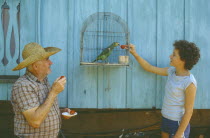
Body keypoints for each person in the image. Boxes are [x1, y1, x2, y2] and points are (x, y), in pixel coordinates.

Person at [126, 40, 200, 138]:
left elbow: (188, 112)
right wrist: (135, 54)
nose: (170, 56)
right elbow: (149, 67)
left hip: (177, 124)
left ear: (183, 60)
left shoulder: (189, 82)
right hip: (166, 119)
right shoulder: (171, 72)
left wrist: (178, 135)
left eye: (174, 55)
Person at [11, 42, 72, 138]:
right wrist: (54, 92)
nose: (51, 63)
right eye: (47, 59)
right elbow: (35, 121)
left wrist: (60, 112)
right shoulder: (23, 85)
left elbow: (42, 109)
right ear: (35, 66)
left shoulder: (43, 80)